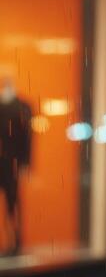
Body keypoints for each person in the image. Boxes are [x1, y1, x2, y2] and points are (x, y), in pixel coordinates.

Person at [0, 76, 31, 255]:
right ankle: (14, 242)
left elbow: (27, 139)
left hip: (12, 163)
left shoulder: (22, 107)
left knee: (12, 202)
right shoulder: (20, 107)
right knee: (12, 202)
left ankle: (15, 242)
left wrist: (25, 162)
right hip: (9, 162)